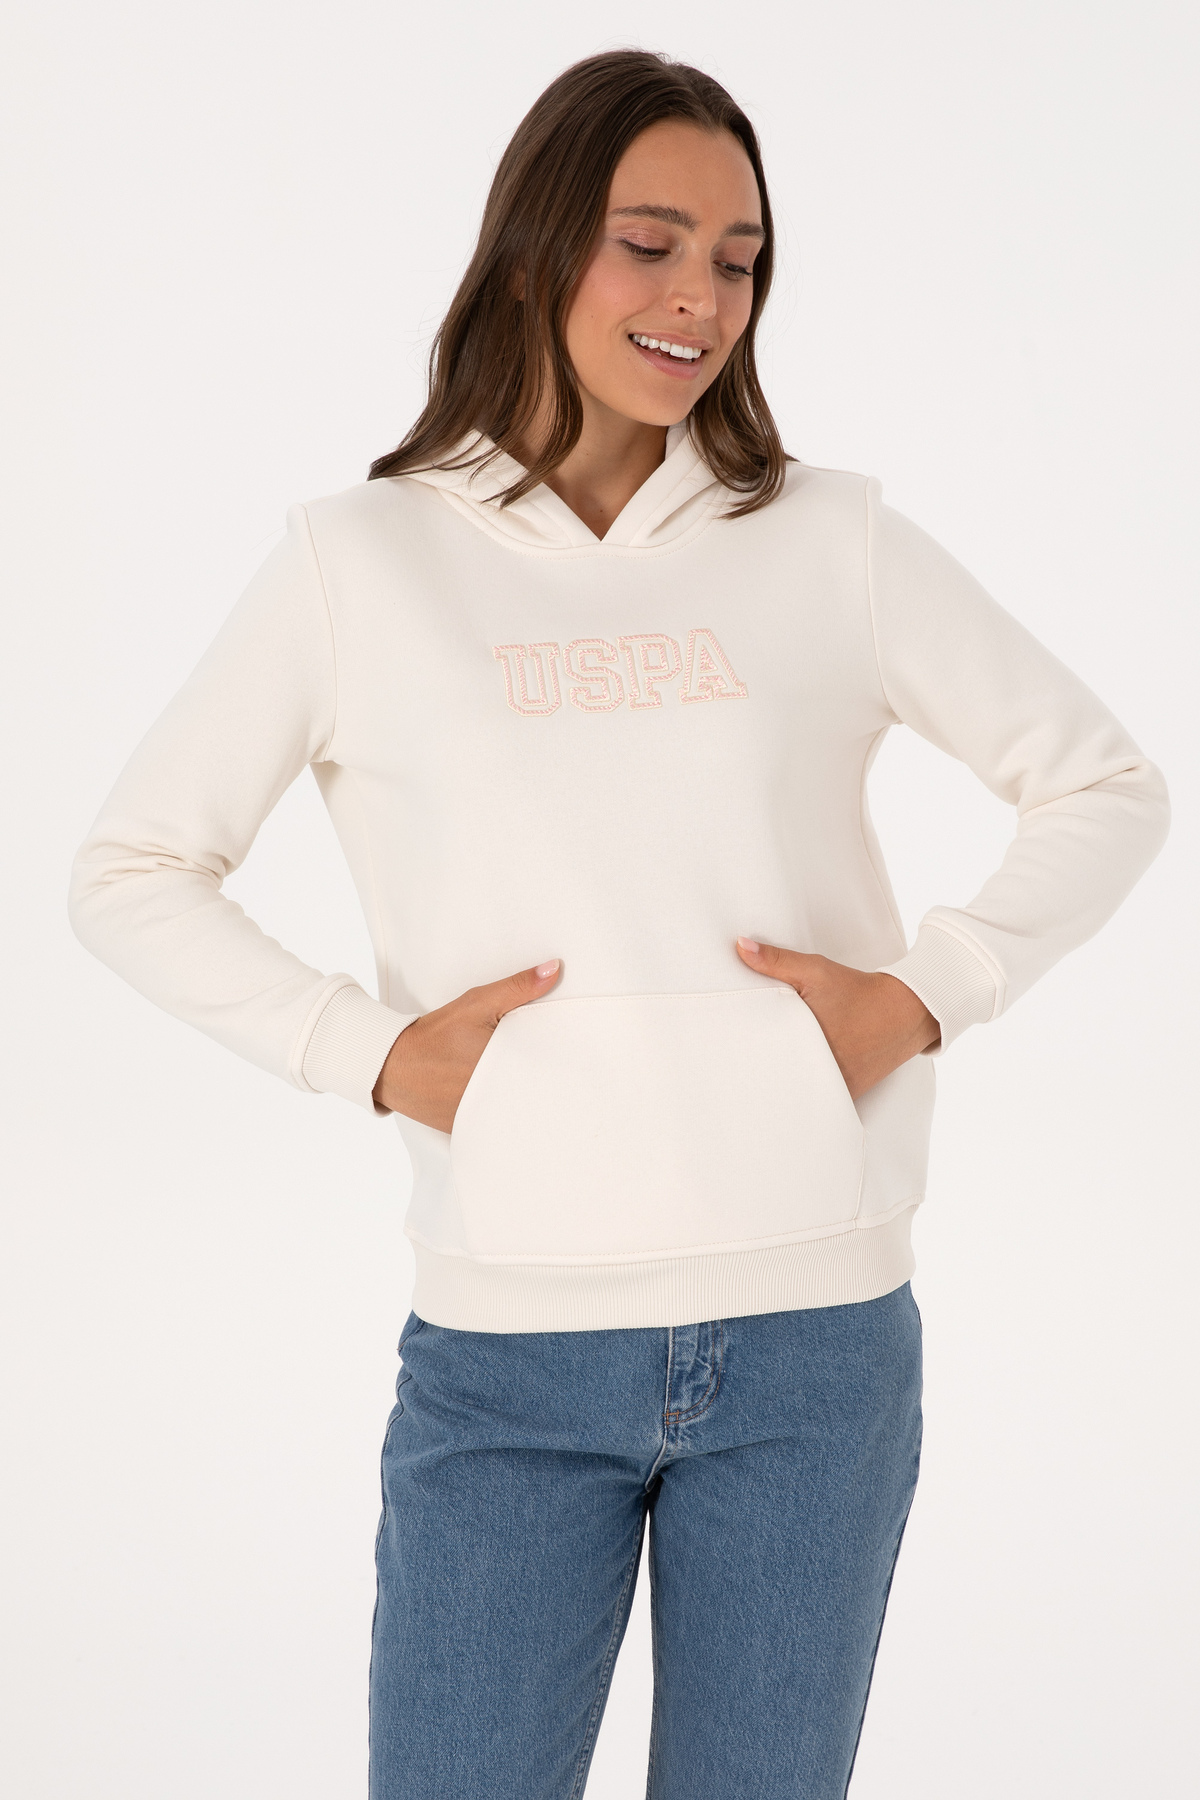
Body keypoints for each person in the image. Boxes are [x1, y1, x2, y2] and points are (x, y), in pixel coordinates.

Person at [67, 47, 1169, 1800]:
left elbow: (1104, 783)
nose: (699, 299)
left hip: (817, 1350)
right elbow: (131, 870)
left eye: (738, 258)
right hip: (508, 1354)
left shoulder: (828, 538)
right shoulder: (361, 562)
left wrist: (922, 996)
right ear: (536, 248)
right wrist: (368, 1054)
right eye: (649, 244)